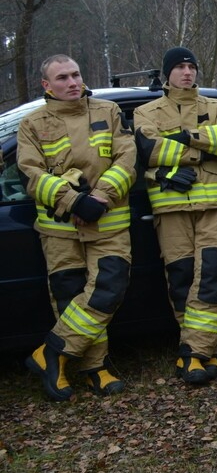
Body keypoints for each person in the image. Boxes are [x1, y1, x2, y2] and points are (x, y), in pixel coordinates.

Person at [19, 55, 136, 401]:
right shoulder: (31, 123)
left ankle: (50, 352)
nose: (72, 82)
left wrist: (98, 199)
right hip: (59, 230)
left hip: (109, 223)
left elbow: (127, 158)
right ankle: (93, 369)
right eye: (62, 78)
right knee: (71, 297)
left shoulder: (107, 111)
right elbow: (29, 173)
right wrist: (72, 202)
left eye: (76, 74)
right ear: (46, 85)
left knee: (106, 291)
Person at [133, 47, 217, 385]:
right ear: (168, 73)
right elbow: (148, 151)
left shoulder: (216, 107)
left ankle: (193, 353)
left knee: (212, 277)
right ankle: (202, 350)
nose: (186, 72)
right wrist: (197, 150)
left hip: (214, 209)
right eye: (179, 67)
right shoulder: (145, 111)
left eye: (191, 66)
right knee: (182, 281)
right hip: (171, 210)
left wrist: (184, 138)